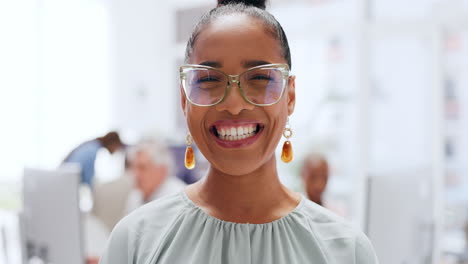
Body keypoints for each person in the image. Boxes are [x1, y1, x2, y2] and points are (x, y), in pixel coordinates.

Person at [100, 1, 379, 263]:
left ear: (290, 95)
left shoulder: (344, 250)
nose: (233, 104)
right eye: (209, 80)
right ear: (185, 100)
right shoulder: (137, 241)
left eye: (259, 78)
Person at [125, 139, 186, 213]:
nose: (135, 174)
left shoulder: (179, 199)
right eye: (133, 168)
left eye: (142, 168)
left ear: (162, 170)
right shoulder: (135, 196)